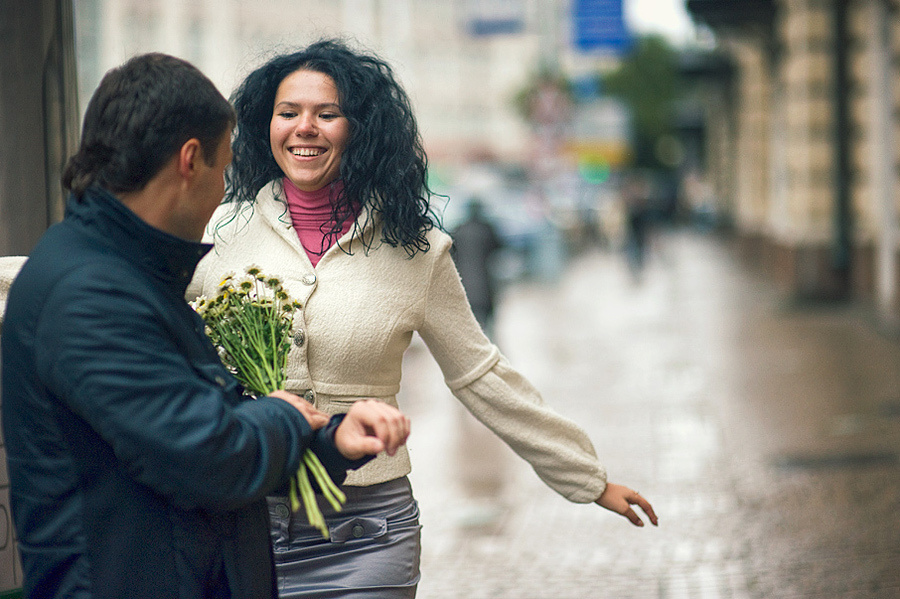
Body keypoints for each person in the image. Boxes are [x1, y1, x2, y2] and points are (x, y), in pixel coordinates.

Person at [188, 39, 657, 599]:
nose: (304, 127)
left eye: (327, 114)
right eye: (287, 113)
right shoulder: (216, 235)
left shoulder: (417, 251)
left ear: (359, 129)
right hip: (242, 526)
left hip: (368, 533)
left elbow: (480, 374)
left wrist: (587, 478)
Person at [0, 53, 410, 599]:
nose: (224, 189)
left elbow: (197, 425)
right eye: (224, 167)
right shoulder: (89, 295)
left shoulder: (129, 273)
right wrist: (284, 416)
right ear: (189, 161)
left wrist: (331, 440)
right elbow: (209, 458)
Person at [450, 198, 502, 338]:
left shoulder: (457, 230)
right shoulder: (487, 229)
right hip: (485, 285)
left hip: (462, 285)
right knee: (485, 330)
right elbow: (499, 247)